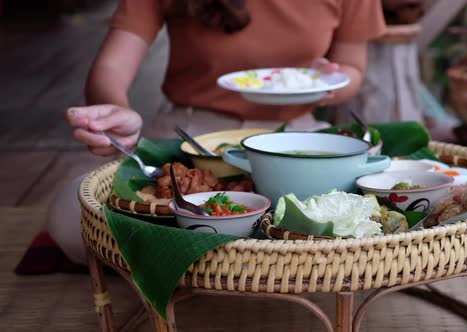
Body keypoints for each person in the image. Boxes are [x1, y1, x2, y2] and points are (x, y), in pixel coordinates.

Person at [50, 0, 387, 265]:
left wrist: (331, 79)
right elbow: (111, 66)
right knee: (70, 219)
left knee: (376, 210)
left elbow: (352, 66)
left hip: (298, 132)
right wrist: (115, 111)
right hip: (190, 131)